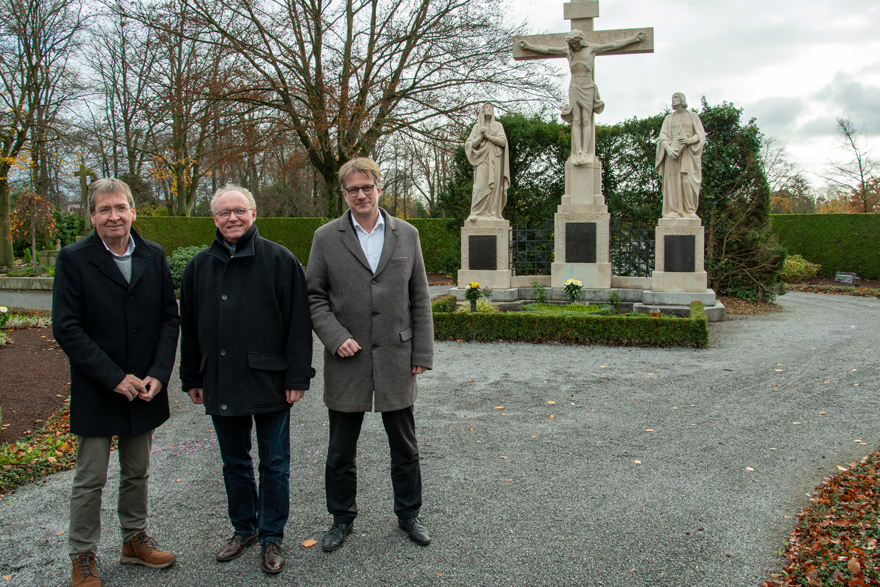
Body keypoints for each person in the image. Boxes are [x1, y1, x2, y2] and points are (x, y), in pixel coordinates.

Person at [178, 185, 313, 574]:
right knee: (233, 462)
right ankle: (244, 528)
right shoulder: (199, 266)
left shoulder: (280, 260)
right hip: (219, 378)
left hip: (270, 381)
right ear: (214, 220)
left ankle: (272, 535)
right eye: (223, 213)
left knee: (275, 462)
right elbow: (190, 327)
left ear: (254, 214)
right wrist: (191, 376)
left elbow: (298, 325)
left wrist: (297, 376)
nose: (232, 218)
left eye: (239, 211)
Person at [53, 178, 180, 587]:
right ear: (92, 215)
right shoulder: (74, 259)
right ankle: (83, 555)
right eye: (105, 209)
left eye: (121, 208)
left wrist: (159, 373)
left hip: (143, 388)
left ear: (133, 211)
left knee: (137, 471)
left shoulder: (153, 255)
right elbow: (67, 328)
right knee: (90, 478)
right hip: (98, 387)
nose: (114, 216)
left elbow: (168, 318)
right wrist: (112, 377)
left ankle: (133, 540)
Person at [306, 157, 434, 551]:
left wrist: (422, 352)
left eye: (367, 187)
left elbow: (420, 297)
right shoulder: (326, 237)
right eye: (352, 189)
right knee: (341, 450)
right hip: (347, 359)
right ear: (343, 193)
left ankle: (409, 514)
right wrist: (334, 336)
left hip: (397, 356)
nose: (360, 194)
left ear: (380, 188)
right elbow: (314, 297)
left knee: (405, 447)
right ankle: (341, 518)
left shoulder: (407, 234)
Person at [519, 30, 645, 165]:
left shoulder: (591, 49)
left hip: (587, 87)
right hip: (574, 86)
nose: (574, 46)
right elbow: (548, 50)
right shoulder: (569, 52)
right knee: (576, 120)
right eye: (571, 44)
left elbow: (614, 45)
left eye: (575, 43)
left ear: (580, 40)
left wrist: (634, 39)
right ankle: (577, 151)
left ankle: (585, 151)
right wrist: (528, 46)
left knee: (586, 120)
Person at [655, 92, 707, 218]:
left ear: (682, 99)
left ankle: (689, 210)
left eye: (676, 97)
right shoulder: (669, 118)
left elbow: (700, 135)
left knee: (687, 181)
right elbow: (662, 136)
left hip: (688, 154)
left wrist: (689, 141)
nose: (673, 99)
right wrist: (668, 149)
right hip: (672, 155)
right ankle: (672, 211)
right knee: (672, 183)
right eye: (672, 97)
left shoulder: (692, 116)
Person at [466, 102, 510, 222]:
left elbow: (503, 142)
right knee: (479, 187)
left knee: (494, 189)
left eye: (491, 107)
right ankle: (476, 212)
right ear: (482, 111)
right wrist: (481, 136)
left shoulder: (498, 126)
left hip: (495, 161)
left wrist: (488, 136)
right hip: (481, 160)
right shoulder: (476, 127)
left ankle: (493, 213)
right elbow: (469, 144)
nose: (489, 109)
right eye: (486, 107)